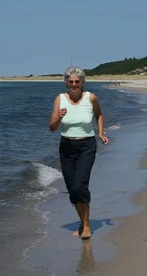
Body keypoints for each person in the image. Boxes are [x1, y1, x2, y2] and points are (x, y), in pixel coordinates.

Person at [49, 66, 109, 240]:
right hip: (66, 146)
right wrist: (59, 118)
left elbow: (99, 115)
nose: (74, 84)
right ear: (66, 83)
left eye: (77, 81)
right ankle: (82, 222)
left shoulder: (91, 97)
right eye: (71, 82)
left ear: (82, 82)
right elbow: (52, 128)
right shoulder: (60, 99)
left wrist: (101, 133)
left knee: (79, 185)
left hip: (86, 146)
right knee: (72, 189)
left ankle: (87, 225)